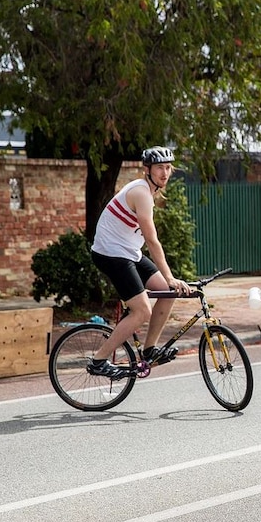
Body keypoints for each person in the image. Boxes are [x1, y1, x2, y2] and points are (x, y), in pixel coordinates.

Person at [87, 146, 191, 379]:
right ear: (147, 169)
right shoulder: (141, 193)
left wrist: (168, 282)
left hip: (128, 252)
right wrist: (171, 276)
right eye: (159, 168)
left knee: (167, 292)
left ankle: (149, 350)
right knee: (142, 310)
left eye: (168, 168)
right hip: (111, 254)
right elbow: (153, 241)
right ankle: (99, 360)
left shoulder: (150, 192)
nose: (164, 173)